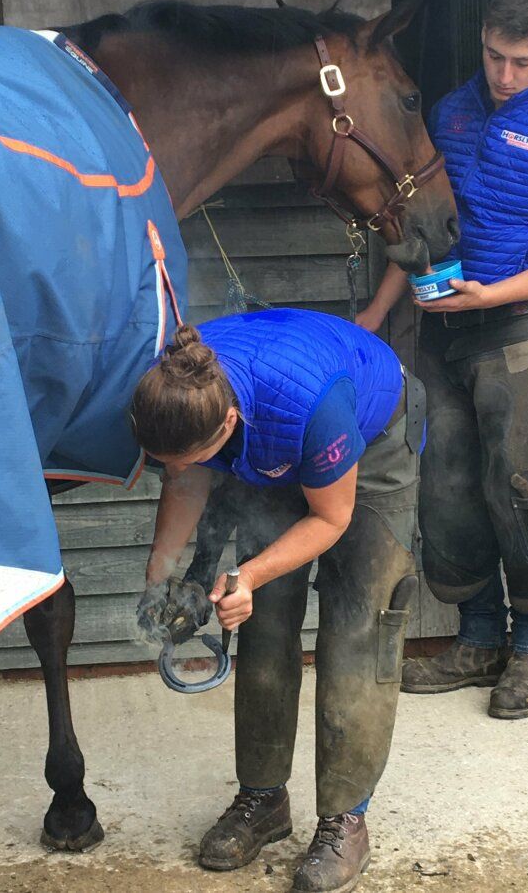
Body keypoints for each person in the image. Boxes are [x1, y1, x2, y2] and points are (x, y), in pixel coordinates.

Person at [356, 0, 528, 719]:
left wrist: (491, 297)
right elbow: (421, 232)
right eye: (494, 56)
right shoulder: (449, 114)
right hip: (439, 335)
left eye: (521, 62)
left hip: (513, 332)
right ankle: (477, 639)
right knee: (448, 483)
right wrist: (372, 315)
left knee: (523, 485)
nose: (503, 75)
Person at [132, 309, 424, 893]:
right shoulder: (180, 388)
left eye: (193, 455)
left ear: (229, 422)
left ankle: (345, 818)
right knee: (262, 623)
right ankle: (263, 799)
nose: (184, 469)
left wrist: (249, 572)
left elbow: (331, 515)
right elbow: (186, 476)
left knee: (357, 624)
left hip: (366, 436)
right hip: (273, 434)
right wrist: (160, 576)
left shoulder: (312, 406)